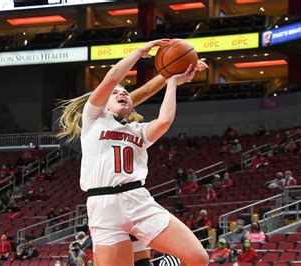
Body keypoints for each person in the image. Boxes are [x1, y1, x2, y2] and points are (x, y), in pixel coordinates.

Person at [57, 39, 209, 265]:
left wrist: (174, 78)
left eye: (125, 93)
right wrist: (139, 52)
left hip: (137, 198)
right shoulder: (93, 119)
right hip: (103, 203)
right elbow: (113, 79)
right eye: (116, 92)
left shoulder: (137, 130)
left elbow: (164, 118)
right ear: (104, 103)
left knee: (198, 258)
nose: (122, 93)